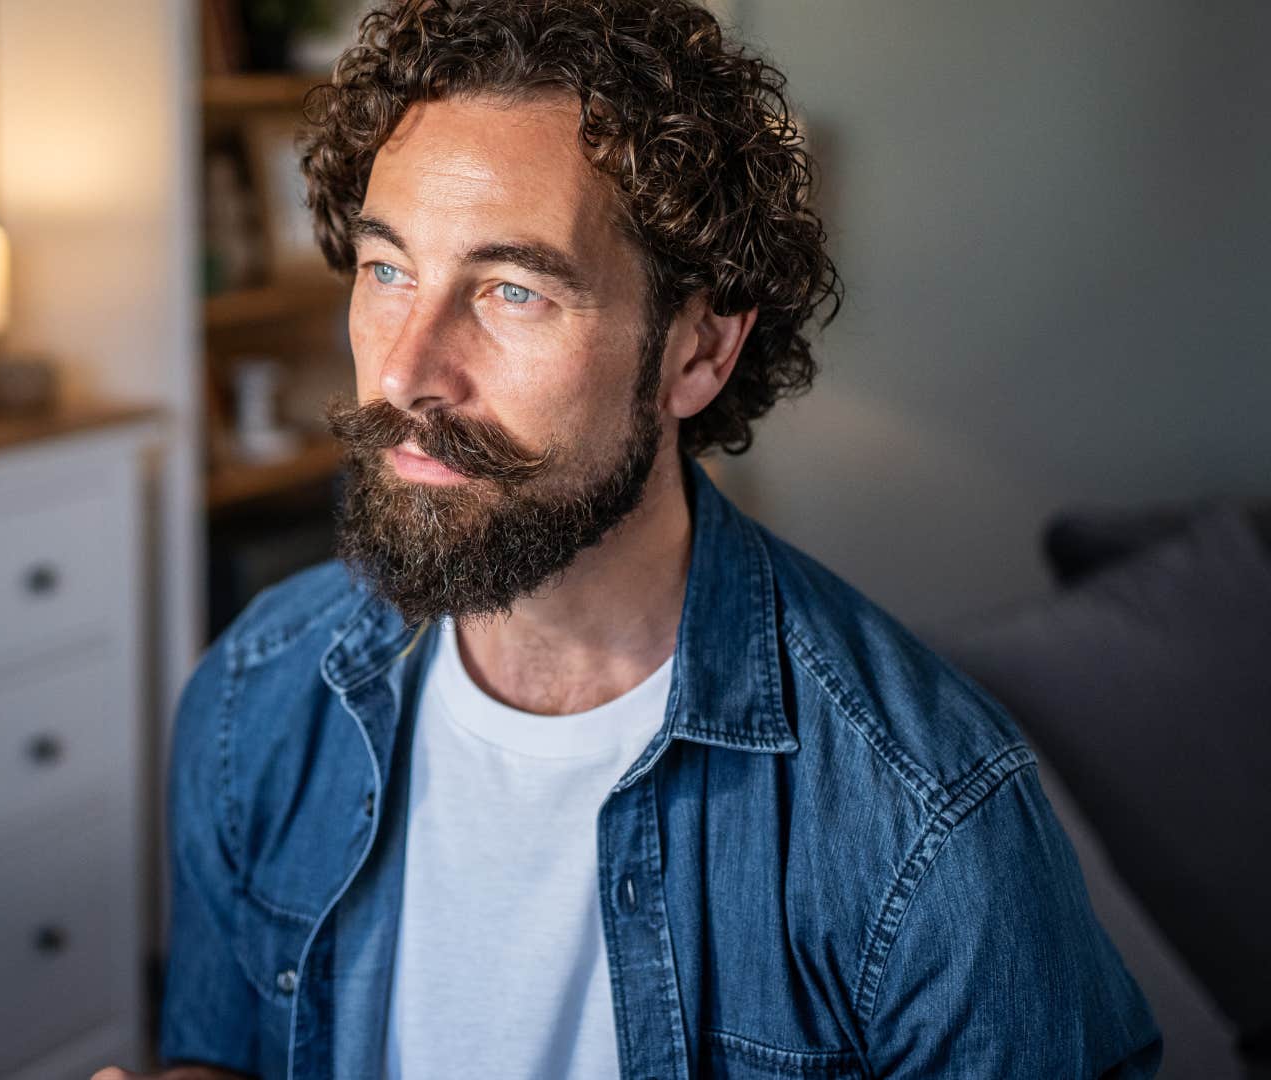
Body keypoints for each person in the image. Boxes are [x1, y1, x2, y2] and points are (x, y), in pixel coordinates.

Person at [99, 1, 1158, 1076]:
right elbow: (222, 1053)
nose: (409, 368)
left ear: (697, 350)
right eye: (388, 270)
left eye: (511, 290)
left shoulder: (928, 825)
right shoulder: (257, 693)